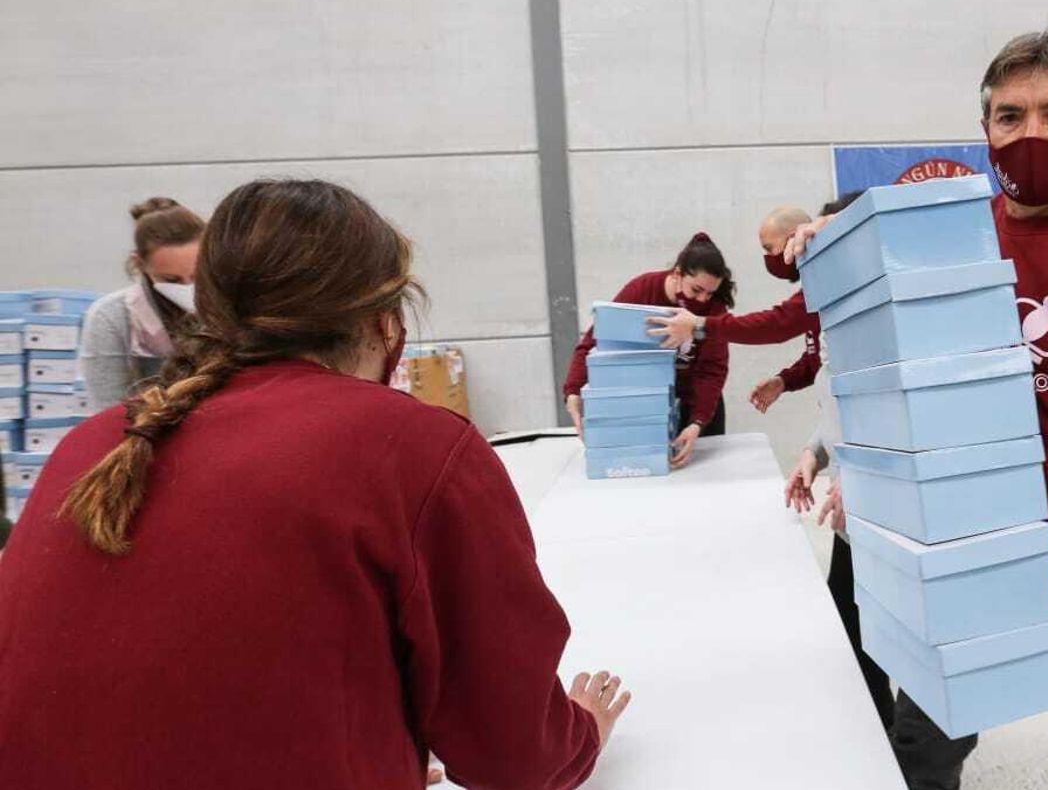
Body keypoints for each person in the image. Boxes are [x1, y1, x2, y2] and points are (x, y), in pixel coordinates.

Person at [0, 179, 629, 790]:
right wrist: (580, 737)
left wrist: (361, 743)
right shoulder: (407, 446)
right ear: (387, 320)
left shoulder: (97, 442)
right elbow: (514, 755)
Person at [787, 30, 1048, 790]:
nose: (1032, 134)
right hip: (965, 562)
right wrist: (834, 248)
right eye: (1011, 117)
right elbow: (889, 368)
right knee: (920, 756)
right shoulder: (953, 239)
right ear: (985, 131)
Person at [776, 191, 894, 729]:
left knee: (896, 642)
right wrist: (812, 454)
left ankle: (903, 755)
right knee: (851, 629)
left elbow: (908, 421)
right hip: (853, 526)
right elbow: (839, 404)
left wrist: (866, 480)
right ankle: (878, 735)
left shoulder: (894, 320)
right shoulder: (842, 316)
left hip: (893, 524)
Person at [563, 233, 733, 467]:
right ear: (677, 273)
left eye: (710, 293)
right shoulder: (642, 290)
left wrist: (697, 422)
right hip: (647, 405)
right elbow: (594, 341)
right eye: (696, 290)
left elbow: (712, 369)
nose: (703, 300)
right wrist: (573, 390)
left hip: (697, 404)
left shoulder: (715, 308)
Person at [646, 206, 821, 413]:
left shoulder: (822, 284)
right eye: (696, 289)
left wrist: (699, 324)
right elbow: (817, 355)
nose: (768, 257)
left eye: (769, 248)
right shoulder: (645, 287)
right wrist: (784, 381)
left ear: (794, 237)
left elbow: (775, 324)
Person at [79, 197, 205, 410]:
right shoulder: (111, 317)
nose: (187, 286)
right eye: (171, 280)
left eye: (198, 275)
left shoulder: (233, 305)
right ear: (141, 264)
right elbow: (107, 412)